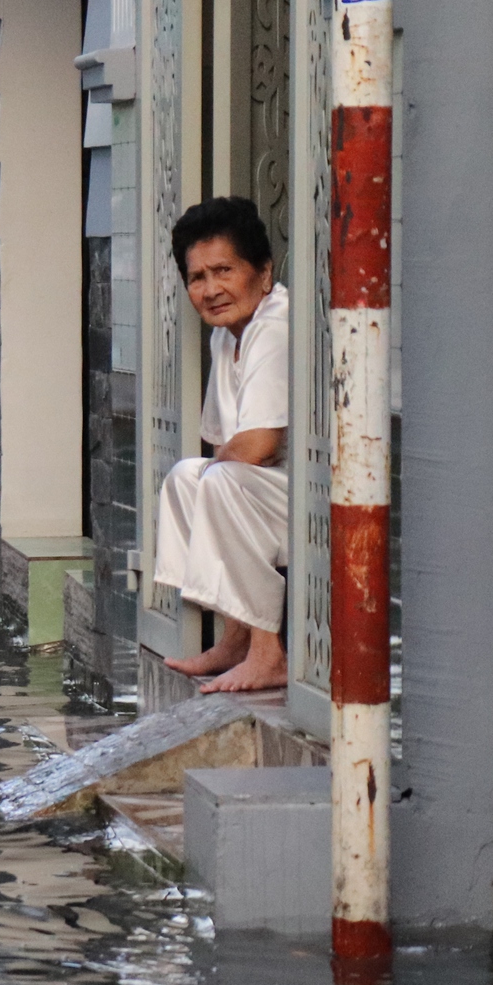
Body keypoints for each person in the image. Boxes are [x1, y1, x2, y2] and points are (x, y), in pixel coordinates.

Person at [155, 196, 291, 694]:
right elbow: (222, 443)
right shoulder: (228, 333)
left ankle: (267, 654)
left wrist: (230, 465)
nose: (211, 290)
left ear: (262, 270)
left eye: (224, 271)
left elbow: (255, 445)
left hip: (318, 503)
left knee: (218, 480)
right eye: (197, 277)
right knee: (187, 478)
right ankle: (235, 639)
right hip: (271, 494)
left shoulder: (275, 327)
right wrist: (227, 465)